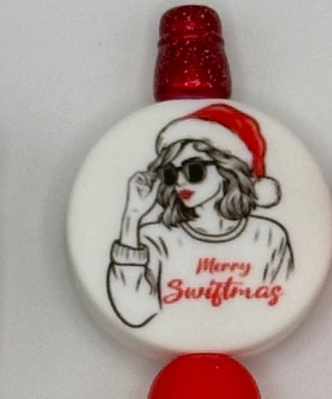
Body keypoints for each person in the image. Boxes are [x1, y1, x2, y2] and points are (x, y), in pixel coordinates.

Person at [108, 103, 293, 329]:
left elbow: (279, 309)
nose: (180, 182)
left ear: (227, 170)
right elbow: (134, 314)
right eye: (170, 173)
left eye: (194, 170)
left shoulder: (269, 236)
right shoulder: (153, 237)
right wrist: (132, 216)